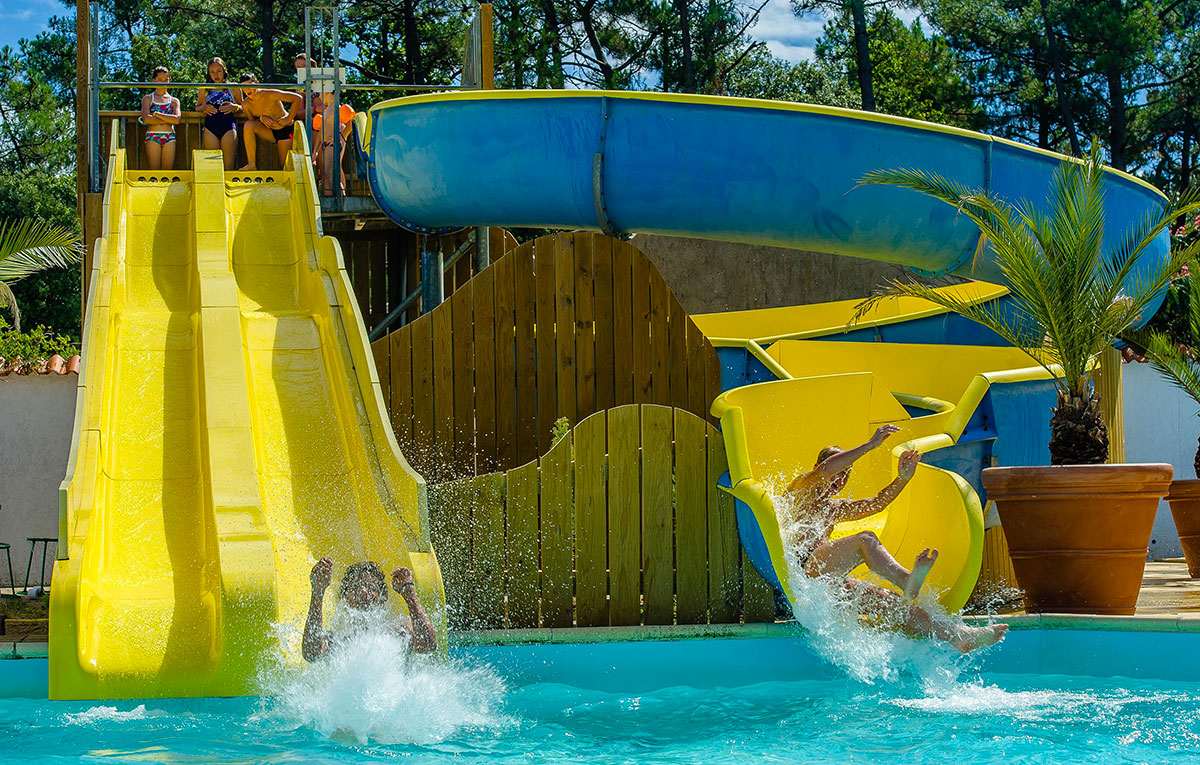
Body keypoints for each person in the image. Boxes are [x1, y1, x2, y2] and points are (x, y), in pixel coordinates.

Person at [783, 424, 1007, 653]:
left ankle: (956, 635)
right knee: (865, 539)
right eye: (839, 472)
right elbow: (824, 470)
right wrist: (870, 446)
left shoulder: (834, 508)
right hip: (802, 570)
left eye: (845, 475)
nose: (839, 480)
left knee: (889, 601)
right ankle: (906, 579)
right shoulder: (800, 490)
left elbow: (877, 503)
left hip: (822, 581)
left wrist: (903, 479)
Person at [303, 557, 437, 661]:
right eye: (355, 588)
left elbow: (429, 645)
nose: (364, 592)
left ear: (382, 597)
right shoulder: (336, 640)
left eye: (371, 588)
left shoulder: (399, 631)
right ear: (345, 598)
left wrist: (409, 594)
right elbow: (311, 655)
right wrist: (318, 591)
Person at [236, 72, 305, 170]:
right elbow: (253, 121)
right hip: (270, 131)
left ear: (257, 84)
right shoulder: (246, 104)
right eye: (244, 87)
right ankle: (251, 164)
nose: (247, 90)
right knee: (248, 125)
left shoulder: (270, 94)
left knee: (284, 167)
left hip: (286, 129)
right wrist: (261, 118)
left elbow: (298, 98)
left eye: (249, 86)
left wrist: (288, 118)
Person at [196, 57, 241, 170]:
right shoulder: (204, 88)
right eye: (212, 72)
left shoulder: (234, 87)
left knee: (228, 164)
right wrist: (204, 107)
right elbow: (197, 107)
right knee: (213, 165)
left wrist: (235, 107)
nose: (216, 75)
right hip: (210, 128)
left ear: (224, 70)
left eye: (219, 71)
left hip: (228, 128)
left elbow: (245, 106)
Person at [312, 91, 355, 194]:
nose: (319, 97)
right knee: (329, 173)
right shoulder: (327, 110)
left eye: (319, 94)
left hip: (333, 145)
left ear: (327, 92)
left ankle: (342, 200)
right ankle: (334, 199)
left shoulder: (338, 109)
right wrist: (315, 151)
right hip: (326, 145)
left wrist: (339, 139)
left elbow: (350, 125)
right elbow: (321, 132)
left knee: (332, 174)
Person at [140, 66, 180, 171]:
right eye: (159, 80)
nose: (163, 83)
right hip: (153, 136)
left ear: (169, 80)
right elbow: (146, 119)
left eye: (165, 80)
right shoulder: (148, 98)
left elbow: (176, 119)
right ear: (154, 80)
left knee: (167, 171)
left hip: (169, 136)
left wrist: (157, 114)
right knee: (155, 170)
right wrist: (168, 119)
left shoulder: (174, 101)